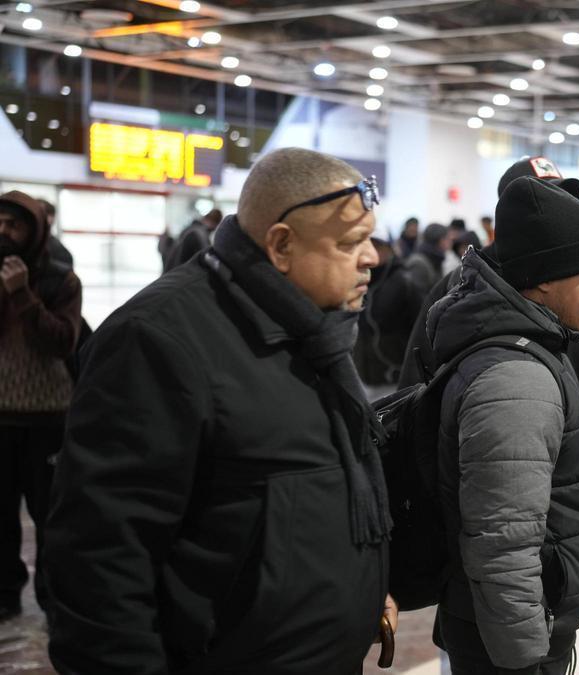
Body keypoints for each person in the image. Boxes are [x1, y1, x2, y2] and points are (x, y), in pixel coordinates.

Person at [43, 148, 397, 673]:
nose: (372, 257)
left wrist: (362, 587)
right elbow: (99, 564)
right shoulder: (159, 342)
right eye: (350, 243)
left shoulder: (313, 332)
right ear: (280, 245)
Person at [429, 176, 579, 674]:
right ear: (545, 278)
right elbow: (503, 542)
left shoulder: (528, 352)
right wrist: (523, 657)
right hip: (511, 646)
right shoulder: (518, 380)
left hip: (519, 627)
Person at [397, 156, 579, 489]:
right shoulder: (457, 289)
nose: (551, 210)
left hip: (570, 471)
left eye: (564, 200)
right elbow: (417, 383)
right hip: (473, 476)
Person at [0, 191, 81, 622]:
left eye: (14, 225)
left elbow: (61, 341)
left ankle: (55, 599)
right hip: (1, 418)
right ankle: (5, 593)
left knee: (51, 518)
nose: (4, 231)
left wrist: (22, 296)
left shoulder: (59, 280)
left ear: (34, 230)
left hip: (48, 418)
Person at [353, 236, 426, 393]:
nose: (371, 252)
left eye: (377, 246)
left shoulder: (405, 281)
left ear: (389, 249)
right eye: (366, 245)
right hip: (364, 375)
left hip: (396, 377)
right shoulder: (358, 279)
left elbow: (421, 328)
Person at [406, 222, 451, 292]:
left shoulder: (436, 259)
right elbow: (417, 298)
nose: (450, 242)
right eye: (447, 238)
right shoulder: (419, 264)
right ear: (440, 240)